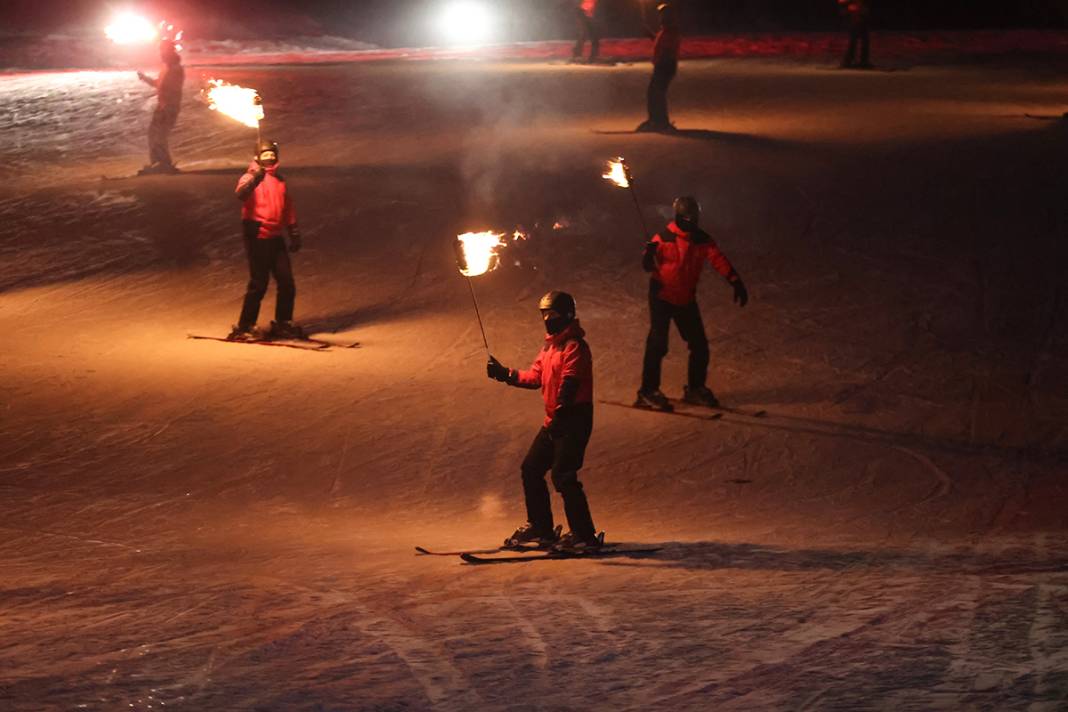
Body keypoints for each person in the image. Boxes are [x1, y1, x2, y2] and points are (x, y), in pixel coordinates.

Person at [486, 291, 601, 552]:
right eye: (544, 315)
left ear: (567, 315)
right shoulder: (550, 347)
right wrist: (505, 373)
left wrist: (561, 411)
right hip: (556, 420)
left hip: (574, 419)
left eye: (553, 315)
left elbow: (570, 382)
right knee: (531, 468)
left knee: (563, 475)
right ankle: (542, 527)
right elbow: (535, 377)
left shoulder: (575, 347)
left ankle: (584, 534)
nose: (548, 320)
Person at [636, 196, 748, 412]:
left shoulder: (701, 239)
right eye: (686, 218)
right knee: (658, 344)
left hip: (685, 298)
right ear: (677, 217)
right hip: (662, 295)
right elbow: (648, 266)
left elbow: (718, 259)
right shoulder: (664, 237)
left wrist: (735, 280)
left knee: (699, 345)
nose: (690, 221)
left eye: (693, 218)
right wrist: (649, 254)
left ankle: (695, 388)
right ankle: (647, 391)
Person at [229, 139, 304, 341]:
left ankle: (283, 322)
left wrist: (293, 231)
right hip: (257, 236)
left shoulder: (279, 180)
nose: (269, 158)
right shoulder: (250, 176)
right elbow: (241, 194)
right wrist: (255, 178)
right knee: (259, 283)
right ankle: (245, 326)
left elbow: (287, 207)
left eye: (272, 154)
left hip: (275, 236)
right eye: (265, 155)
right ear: (257, 158)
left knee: (287, 282)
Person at [136, 39, 184, 174]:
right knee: (153, 134)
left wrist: (165, 107)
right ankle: (159, 163)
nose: (161, 54)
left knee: (159, 135)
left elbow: (170, 88)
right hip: (163, 107)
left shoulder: (175, 69)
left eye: (163, 51)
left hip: (168, 108)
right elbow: (159, 84)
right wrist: (144, 78)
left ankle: (164, 164)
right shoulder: (167, 68)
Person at [636, 2, 680, 132]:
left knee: (656, 93)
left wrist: (660, 63)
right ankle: (656, 120)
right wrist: (650, 35)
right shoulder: (666, 30)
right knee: (655, 93)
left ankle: (659, 121)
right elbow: (660, 43)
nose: (660, 17)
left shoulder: (670, 30)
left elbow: (667, 47)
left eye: (662, 15)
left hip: (665, 65)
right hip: (664, 65)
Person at [838, 0, 872, 69]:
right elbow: (841, 1)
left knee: (865, 39)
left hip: (860, 15)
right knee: (853, 39)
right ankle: (848, 61)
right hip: (852, 16)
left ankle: (863, 61)